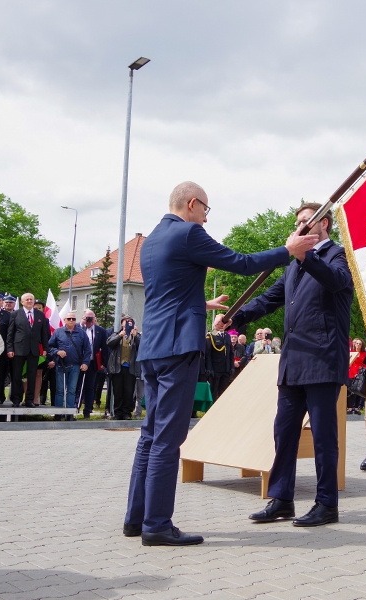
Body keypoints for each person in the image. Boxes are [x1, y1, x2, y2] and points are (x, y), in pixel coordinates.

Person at [123, 181, 307, 546]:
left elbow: (165, 291)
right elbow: (241, 263)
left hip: (153, 347)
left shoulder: (154, 238)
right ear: (192, 204)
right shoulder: (189, 233)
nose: (206, 220)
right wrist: (287, 250)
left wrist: (199, 304)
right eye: (205, 211)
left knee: (149, 434)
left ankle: (137, 518)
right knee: (168, 438)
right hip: (178, 348)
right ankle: (158, 525)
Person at [218, 202, 353, 528]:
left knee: (323, 436)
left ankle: (326, 504)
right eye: (298, 223)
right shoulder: (294, 266)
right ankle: (282, 499)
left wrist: (307, 256)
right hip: (293, 362)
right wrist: (235, 318)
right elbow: (268, 299)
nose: (302, 227)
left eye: (307, 222)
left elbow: (336, 282)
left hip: (322, 360)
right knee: (284, 431)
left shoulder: (338, 256)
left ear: (325, 226)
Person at [6, 293, 49, 407]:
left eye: (31, 299)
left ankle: (29, 399)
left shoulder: (40, 315)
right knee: (16, 375)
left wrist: (45, 348)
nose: (29, 301)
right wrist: (9, 348)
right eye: (27, 299)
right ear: (22, 302)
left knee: (32, 375)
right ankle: (16, 399)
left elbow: (44, 333)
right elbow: (10, 333)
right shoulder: (15, 314)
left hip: (34, 350)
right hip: (18, 349)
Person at [47, 312, 90, 421]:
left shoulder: (81, 333)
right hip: (61, 365)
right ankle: (58, 413)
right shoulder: (58, 332)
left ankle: (69, 413)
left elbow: (88, 350)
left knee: (72, 390)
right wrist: (57, 352)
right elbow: (49, 347)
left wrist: (85, 363)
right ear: (65, 320)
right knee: (60, 390)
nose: (71, 321)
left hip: (75, 366)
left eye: (73, 319)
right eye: (69, 319)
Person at [106, 315, 140, 420]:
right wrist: (119, 336)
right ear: (122, 323)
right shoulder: (117, 334)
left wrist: (136, 336)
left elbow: (143, 346)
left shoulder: (136, 335)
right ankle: (117, 412)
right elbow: (109, 343)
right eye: (126, 321)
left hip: (131, 368)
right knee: (118, 391)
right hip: (117, 367)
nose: (128, 323)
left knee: (129, 392)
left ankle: (126, 413)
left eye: (130, 321)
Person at [77, 310, 108, 419]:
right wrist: (82, 323)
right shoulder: (79, 328)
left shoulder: (100, 331)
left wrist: (104, 363)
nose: (89, 320)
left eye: (91, 317)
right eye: (87, 317)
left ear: (95, 318)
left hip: (93, 363)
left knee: (90, 387)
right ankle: (76, 408)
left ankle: (87, 411)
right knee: (78, 386)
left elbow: (105, 347)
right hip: (79, 362)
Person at [204, 329, 233, 401]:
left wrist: (231, 366)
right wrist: (209, 368)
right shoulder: (211, 334)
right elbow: (208, 353)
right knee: (213, 392)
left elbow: (230, 353)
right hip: (215, 369)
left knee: (224, 392)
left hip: (226, 369)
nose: (222, 325)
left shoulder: (227, 335)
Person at [347, 339, 366, 415]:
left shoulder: (364, 354)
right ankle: (349, 407)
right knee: (350, 391)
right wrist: (354, 373)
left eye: (360, 344)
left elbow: (365, 364)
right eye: (357, 343)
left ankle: (356, 407)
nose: (358, 345)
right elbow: (349, 364)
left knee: (358, 391)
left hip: (360, 374)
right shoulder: (351, 353)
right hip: (351, 373)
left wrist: (359, 373)